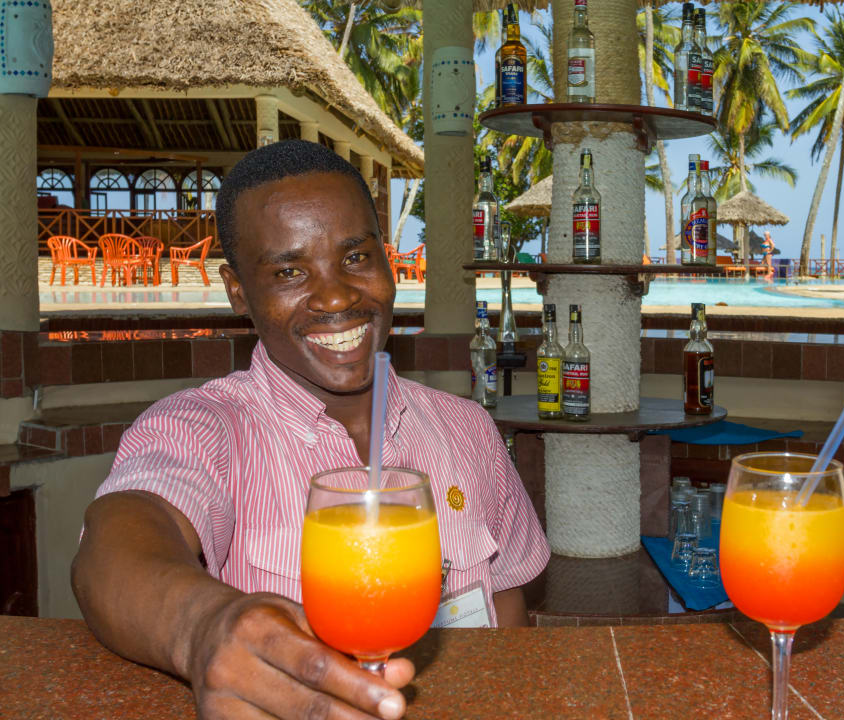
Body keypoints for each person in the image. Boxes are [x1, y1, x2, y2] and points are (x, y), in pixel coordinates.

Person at [72, 140, 550, 720]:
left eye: (355, 258)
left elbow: (506, 601)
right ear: (238, 292)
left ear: (386, 260)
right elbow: (116, 545)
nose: (336, 295)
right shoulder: (202, 428)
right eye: (290, 271)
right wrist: (203, 627)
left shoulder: (467, 429)